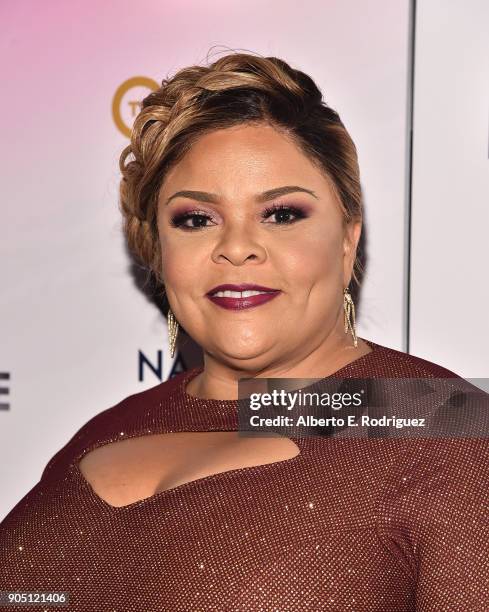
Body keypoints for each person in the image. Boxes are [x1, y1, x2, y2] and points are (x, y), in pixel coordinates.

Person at [0, 51, 487, 611]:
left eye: (280, 213)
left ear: (348, 238)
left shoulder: (445, 430)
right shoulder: (104, 432)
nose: (235, 247)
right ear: (159, 252)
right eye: (195, 219)